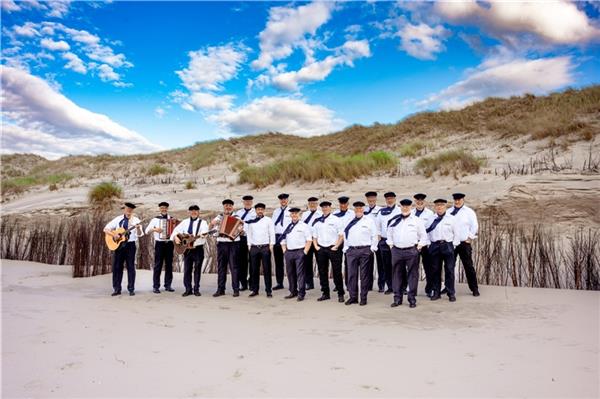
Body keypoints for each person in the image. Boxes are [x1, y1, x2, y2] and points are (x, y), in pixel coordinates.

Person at [386, 199, 428, 308]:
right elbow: (389, 234)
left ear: (411, 207)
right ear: (400, 207)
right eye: (403, 206)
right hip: (397, 251)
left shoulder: (417, 221)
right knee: (396, 275)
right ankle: (397, 298)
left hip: (411, 251)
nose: (405, 208)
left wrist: (418, 247)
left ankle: (412, 299)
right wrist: (391, 246)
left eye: (407, 206)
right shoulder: (394, 220)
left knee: (412, 275)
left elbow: (424, 236)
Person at [104, 202, 143, 296]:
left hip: (130, 245)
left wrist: (137, 228)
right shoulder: (118, 219)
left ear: (132, 210)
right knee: (117, 267)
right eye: (127, 209)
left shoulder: (136, 220)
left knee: (131, 267)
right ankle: (117, 289)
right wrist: (115, 235)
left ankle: (131, 289)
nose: (128, 211)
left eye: (130, 209)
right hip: (119, 246)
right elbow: (106, 229)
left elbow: (140, 234)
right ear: (124, 209)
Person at [343, 201, 378, 306]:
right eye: (356, 208)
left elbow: (374, 235)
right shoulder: (349, 221)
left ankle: (363, 298)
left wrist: (372, 249)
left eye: (360, 208)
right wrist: (346, 248)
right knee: (352, 275)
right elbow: (345, 235)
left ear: (363, 209)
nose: (358, 210)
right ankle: (353, 297)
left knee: (364, 276)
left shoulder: (369, 221)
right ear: (354, 210)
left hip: (365, 251)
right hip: (352, 251)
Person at [426, 199, 460, 302]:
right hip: (434, 245)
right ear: (434, 207)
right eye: (437, 205)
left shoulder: (451, 219)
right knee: (435, 270)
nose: (439, 207)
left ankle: (451, 293)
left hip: (447, 245)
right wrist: (428, 244)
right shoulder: (430, 219)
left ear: (445, 206)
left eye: (441, 205)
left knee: (449, 270)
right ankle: (436, 292)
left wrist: (453, 245)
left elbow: (457, 233)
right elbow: (425, 233)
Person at [171, 205, 209, 297]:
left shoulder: (203, 223)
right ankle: (188, 289)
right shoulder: (184, 222)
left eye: (196, 210)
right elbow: (175, 232)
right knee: (187, 270)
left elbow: (205, 233)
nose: (194, 212)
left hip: (198, 249)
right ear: (189, 212)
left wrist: (203, 235)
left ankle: (196, 289)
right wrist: (176, 237)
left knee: (197, 270)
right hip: (187, 250)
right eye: (192, 210)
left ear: (198, 212)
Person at [312, 201, 345, 302]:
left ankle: (340, 293)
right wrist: (316, 246)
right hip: (321, 249)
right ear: (321, 209)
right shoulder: (317, 221)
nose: (325, 208)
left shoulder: (336, 220)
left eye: (327, 207)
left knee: (337, 272)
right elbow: (314, 236)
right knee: (322, 272)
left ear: (330, 208)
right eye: (323, 207)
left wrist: (336, 246)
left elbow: (341, 235)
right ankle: (325, 293)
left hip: (333, 249)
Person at [449, 193, 480, 297]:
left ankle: (474, 288)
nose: (457, 201)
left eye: (459, 199)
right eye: (455, 200)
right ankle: (449, 287)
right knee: (449, 267)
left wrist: (470, 237)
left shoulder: (469, 212)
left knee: (468, 266)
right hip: (452, 244)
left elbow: (474, 226)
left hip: (464, 243)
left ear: (463, 200)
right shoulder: (449, 211)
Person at [280, 208, 313, 301]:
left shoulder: (304, 226)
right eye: (292, 213)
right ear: (290, 215)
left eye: (296, 213)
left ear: (299, 215)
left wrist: (305, 252)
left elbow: (309, 240)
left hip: (299, 252)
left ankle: (301, 293)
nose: (294, 215)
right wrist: (284, 251)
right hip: (289, 252)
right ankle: (293, 291)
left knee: (300, 273)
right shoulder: (287, 226)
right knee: (290, 273)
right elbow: (283, 239)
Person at [210, 199, 241, 297]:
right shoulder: (219, 217)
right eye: (226, 205)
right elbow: (212, 231)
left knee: (234, 267)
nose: (228, 207)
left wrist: (240, 229)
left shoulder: (237, 217)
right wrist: (212, 224)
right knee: (221, 267)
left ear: (232, 207)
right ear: (223, 206)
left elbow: (241, 230)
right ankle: (221, 289)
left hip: (233, 244)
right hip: (222, 244)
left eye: (230, 205)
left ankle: (236, 290)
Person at [145, 201, 176, 294]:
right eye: (162, 208)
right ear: (159, 209)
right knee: (158, 265)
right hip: (159, 244)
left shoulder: (172, 219)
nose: (164, 209)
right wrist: (155, 229)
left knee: (169, 265)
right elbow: (146, 231)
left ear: (167, 208)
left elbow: (177, 230)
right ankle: (156, 286)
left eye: (165, 207)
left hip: (169, 243)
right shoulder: (155, 219)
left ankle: (168, 285)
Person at [245, 203, 275, 297]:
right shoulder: (251, 221)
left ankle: (268, 290)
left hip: (265, 247)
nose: (260, 211)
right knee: (254, 270)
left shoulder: (268, 220)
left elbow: (272, 233)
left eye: (262, 209)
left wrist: (271, 245)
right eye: (258, 209)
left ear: (264, 210)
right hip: (254, 248)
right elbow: (249, 234)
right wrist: (249, 245)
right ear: (256, 210)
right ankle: (255, 290)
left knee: (267, 269)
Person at [375, 192, 400, 294]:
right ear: (385, 200)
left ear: (395, 199)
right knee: (387, 265)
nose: (390, 200)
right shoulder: (381, 212)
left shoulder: (399, 210)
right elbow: (377, 227)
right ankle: (390, 286)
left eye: (391, 198)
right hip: (384, 242)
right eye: (388, 199)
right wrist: (379, 238)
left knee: (398, 265)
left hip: (396, 242)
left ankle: (401, 286)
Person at [411, 193, 435, 297]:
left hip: (425, 245)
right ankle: (412, 290)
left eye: (421, 201)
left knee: (428, 268)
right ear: (415, 202)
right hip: (414, 244)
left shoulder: (430, 214)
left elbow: (432, 229)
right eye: (417, 201)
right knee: (413, 268)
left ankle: (429, 289)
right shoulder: (411, 213)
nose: (419, 203)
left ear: (424, 202)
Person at [235, 195, 256, 292]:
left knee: (252, 261)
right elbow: (235, 225)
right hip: (241, 239)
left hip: (252, 239)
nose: (248, 203)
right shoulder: (238, 213)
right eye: (246, 201)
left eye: (249, 201)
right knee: (241, 262)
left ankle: (252, 283)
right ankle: (243, 283)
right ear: (243, 202)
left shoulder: (255, 212)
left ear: (252, 202)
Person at [301, 197, 322, 290]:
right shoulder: (305, 214)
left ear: (317, 204)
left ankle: (323, 283)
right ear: (308, 205)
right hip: (308, 241)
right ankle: (309, 283)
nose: (312, 205)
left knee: (321, 262)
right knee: (307, 263)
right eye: (310, 203)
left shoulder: (321, 214)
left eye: (314, 203)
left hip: (318, 241)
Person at [272, 193, 292, 290]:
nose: (283, 201)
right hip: (277, 238)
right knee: (278, 261)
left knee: (289, 262)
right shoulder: (275, 211)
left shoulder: (291, 211)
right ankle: (279, 283)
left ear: (287, 200)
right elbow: (272, 226)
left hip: (287, 238)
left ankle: (292, 283)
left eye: (285, 199)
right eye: (281, 199)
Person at [364, 191, 382, 291]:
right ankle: (368, 285)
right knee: (368, 264)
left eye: (373, 199)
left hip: (378, 239)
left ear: (375, 199)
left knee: (381, 264)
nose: (371, 201)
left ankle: (381, 285)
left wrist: (379, 234)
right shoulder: (364, 210)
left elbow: (382, 223)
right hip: (368, 240)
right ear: (367, 200)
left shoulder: (380, 210)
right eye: (369, 199)